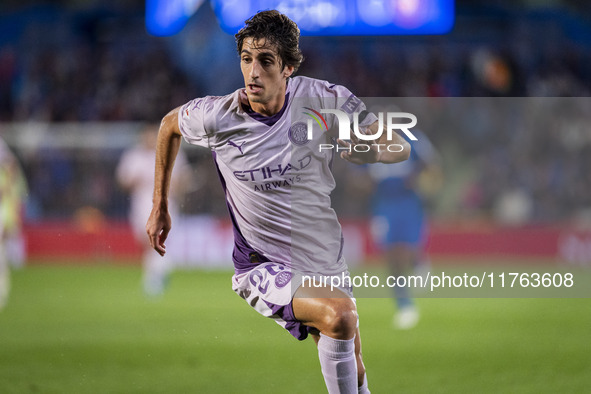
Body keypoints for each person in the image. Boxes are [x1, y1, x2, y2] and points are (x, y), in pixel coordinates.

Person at [146, 10, 410, 393]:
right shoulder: (219, 116)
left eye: (265, 61)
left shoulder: (325, 99)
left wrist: (368, 151)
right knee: (339, 315)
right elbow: (169, 125)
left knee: (353, 364)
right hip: (262, 264)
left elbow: (397, 146)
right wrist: (160, 205)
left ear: (287, 67)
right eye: (246, 59)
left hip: (322, 255)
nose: (253, 72)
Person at [369, 129, 441, 329]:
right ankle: (405, 306)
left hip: (408, 202)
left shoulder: (413, 138)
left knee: (405, 253)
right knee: (392, 259)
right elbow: (361, 175)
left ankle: (418, 260)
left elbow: (431, 164)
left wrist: (421, 179)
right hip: (383, 204)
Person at [116, 125, 190, 296]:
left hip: (166, 204)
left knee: (157, 240)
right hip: (140, 204)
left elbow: (183, 180)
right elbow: (123, 181)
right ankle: (162, 268)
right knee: (146, 241)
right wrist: (134, 181)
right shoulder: (134, 156)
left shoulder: (172, 153)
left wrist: (176, 186)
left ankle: (153, 281)